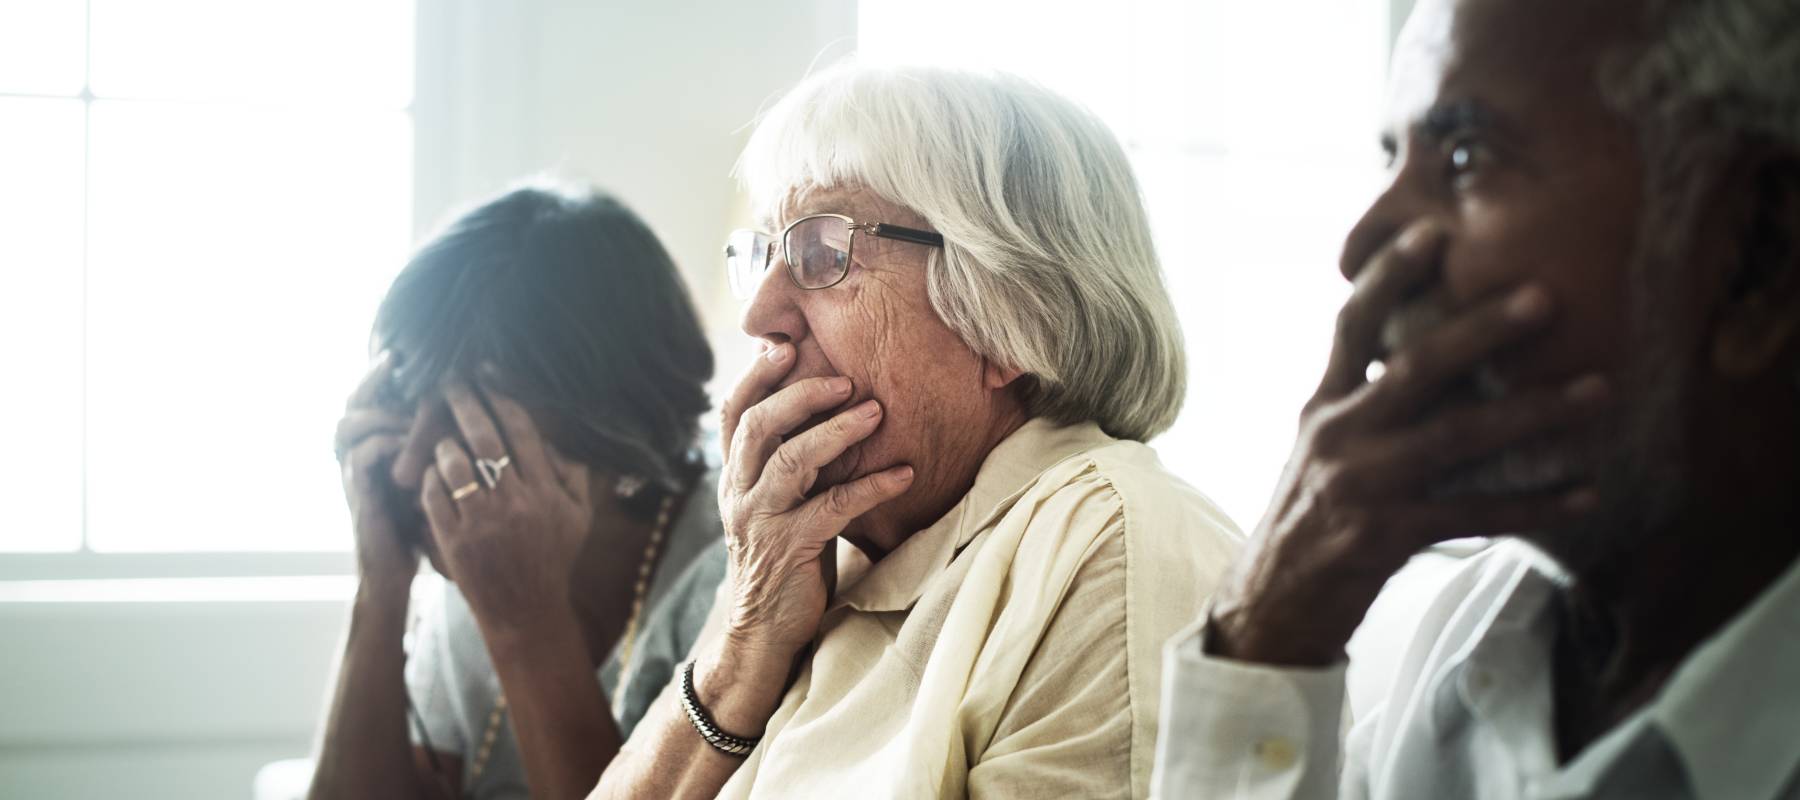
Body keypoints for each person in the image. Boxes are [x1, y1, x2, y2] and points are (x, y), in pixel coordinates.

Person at [1153, 0, 1800, 797]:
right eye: (1394, 159)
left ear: (1759, 250)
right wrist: (1264, 638)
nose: (1362, 245)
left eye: (1464, 157)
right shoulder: (1479, 631)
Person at [586, 63, 1244, 800]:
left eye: (820, 254)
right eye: (767, 253)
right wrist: (743, 645)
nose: (759, 315)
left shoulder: (1113, 549)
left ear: (1008, 314)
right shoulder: (800, 551)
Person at [307, 183, 726, 800]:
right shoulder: (468, 553)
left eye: (465, 415)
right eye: (406, 400)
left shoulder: (730, 578)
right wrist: (380, 585)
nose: (410, 468)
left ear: (607, 417)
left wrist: (528, 622)